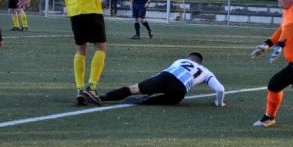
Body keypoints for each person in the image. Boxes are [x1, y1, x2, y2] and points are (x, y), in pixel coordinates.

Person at [18, 0, 125, 105]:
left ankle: (79, 88)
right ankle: (92, 86)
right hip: (93, 9)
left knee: (80, 50)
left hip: (75, 11)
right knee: (101, 47)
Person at [96, 52, 226, 107]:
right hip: (180, 89)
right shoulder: (205, 71)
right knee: (175, 100)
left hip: (163, 78)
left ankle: (101, 98)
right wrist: (219, 104)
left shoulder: (180, 60)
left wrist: (149, 84)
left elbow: (165, 73)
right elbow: (220, 90)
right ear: (200, 62)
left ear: (188, 57)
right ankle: (146, 101)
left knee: (133, 89)